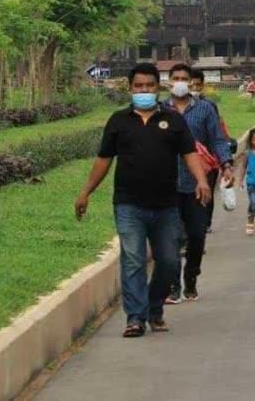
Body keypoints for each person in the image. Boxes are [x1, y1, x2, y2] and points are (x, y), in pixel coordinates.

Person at [74, 63, 211, 337]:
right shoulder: (118, 121)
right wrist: (86, 191)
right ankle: (135, 318)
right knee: (134, 259)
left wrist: (202, 180)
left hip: (165, 205)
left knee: (170, 261)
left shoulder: (172, 120)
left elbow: (189, 153)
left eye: (149, 86)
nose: (144, 91)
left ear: (158, 88)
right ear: (130, 88)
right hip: (128, 204)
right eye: (139, 86)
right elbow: (103, 160)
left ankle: (154, 307)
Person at [165, 64, 232, 303]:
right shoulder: (160, 110)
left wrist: (226, 164)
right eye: (176, 78)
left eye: (185, 78)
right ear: (169, 81)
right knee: (170, 237)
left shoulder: (205, 109)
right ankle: (172, 285)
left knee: (196, 235)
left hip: (198, 184)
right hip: (167, 184)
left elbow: (218, 139)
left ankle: (191, 276)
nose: (181, 82)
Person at [190, 68, 234, 232]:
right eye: (191, 84)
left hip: (208, 159)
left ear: (202, 86)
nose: (193, 87)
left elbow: (217, 134)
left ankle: (204, 224)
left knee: (206, 192)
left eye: (197, 84)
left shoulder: (209, 106)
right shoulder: (170, 107)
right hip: (184, 160)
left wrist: (225, 163)